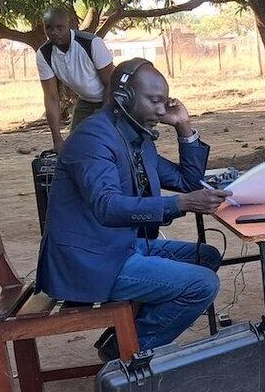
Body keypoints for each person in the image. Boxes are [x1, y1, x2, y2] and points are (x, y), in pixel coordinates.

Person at [36, 58, 229, 359]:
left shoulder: (135, 137)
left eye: (165, 102)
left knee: (207, 257)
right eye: (155, 101)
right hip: (89, 262)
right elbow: (108, 206)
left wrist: (184, 126)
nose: (162, 111)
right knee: (202, 285)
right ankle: (126, 352)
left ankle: (125, 337)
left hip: (116, 248)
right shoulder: (92, 139)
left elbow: (188, 181)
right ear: (123, 97)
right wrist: (181, 203)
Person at [35, 8, 116, 151]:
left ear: (71, 25)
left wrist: (103, 117)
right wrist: (57, 139)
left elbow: (111, 83)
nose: (54, 32)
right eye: (49, 28)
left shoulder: (91, 43)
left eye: (60, 27)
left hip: (114, 97)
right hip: (86, 100)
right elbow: (51, 97)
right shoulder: (44, 54)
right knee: (75, 146)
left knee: (111, 142)